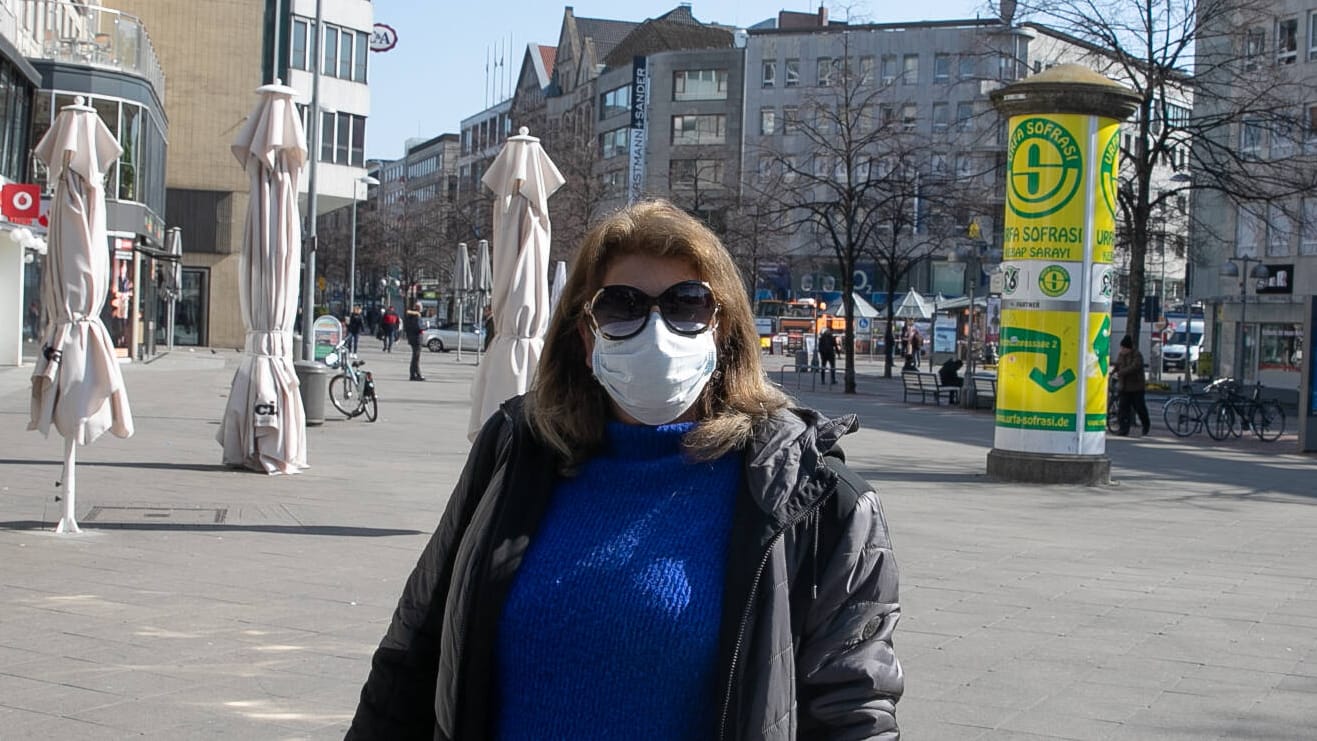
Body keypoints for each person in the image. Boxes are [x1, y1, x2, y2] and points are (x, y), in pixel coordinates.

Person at [346, 200, 902, 740]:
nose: (656, 330)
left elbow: (853, 709)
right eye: (622, 306)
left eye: (687, 304)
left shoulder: (814, 494)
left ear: (723, 328)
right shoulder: (517, 449)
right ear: (586, 334)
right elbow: (415, 647)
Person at [1115, 335, 1150, 436]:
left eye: (1123, 348)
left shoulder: (1137, 355)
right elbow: (1118, 365)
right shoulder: (1121, 355)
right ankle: (1123, 429)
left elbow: (1134, 367)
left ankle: (1146, 424)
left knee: (1140, 408)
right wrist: (1112, 372)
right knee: (1123, 410)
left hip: (1136, 388)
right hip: (1124, 387)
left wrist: (1121, 372)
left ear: (1128, 348)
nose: (1121, 350)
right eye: (1121, 348)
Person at [404, 302, 425, 381]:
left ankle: (413, 374)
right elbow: (419, 327)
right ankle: (417, 374)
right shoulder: (417, 316)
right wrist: (425, 326)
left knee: (414, 358)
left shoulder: (410, 316)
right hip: (417, 338)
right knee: (416, 358)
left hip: (412, 338)